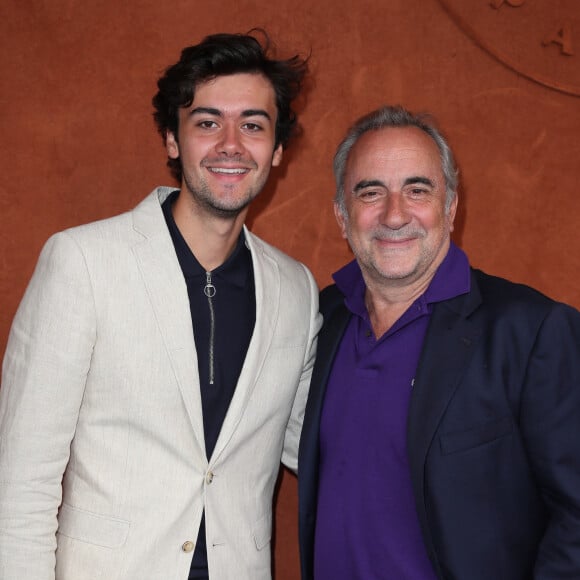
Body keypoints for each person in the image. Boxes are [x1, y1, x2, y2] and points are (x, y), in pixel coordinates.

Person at [0, 31, 321, 580]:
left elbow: (314, 446)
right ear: (173, 140)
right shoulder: (83, 261)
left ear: (277, 149)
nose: (230, 144)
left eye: (252, 124)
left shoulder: (296, 288)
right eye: (206, 122)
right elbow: (20, 479)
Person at [297, 105, 580, 580]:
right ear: (342, 217)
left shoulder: (530, 332)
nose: (394, 214)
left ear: (450, 208)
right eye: (371, 192)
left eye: (418, 190)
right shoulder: (319, 318)